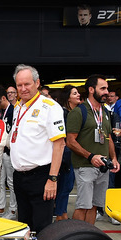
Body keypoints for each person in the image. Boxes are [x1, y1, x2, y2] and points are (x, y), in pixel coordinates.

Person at [10, 64, 65, 233]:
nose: (23, 88)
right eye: (19, 85)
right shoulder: (18, 107)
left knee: (42, 229)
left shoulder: (50, 107)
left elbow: (59, 144)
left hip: (41, 177)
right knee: (24, 228)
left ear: (37, 83)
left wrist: (52, 179)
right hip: (20, 177)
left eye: (27, 84)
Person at [65, 75, 119, 225]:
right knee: (83, 205)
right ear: (91, 90)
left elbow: (108, 138)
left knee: (95, 205)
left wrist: (113, 158)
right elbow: (70, 141)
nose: (106, 92)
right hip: (85, 166)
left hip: (103, 166)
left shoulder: (106, 112)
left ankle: (89, 238)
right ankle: (75, 237)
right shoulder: (78, 112)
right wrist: (90, 157)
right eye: (102, 88)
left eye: (107, 88)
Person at [53, 85, 81, 221]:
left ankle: (61, 212)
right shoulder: (63, 113)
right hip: (65, 153)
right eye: (74, 93)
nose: (78, 95)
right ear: (68, 97)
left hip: (72, 153)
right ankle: (60, 215)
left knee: (67, 186)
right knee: (65, 185)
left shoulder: (74, 112)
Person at [0, 86, 17, 218]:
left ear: (3, 98)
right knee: (0, 181)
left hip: (10, 152)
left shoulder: (13, 111)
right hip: (0, 151)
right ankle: (1, 207)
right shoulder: (1, 112)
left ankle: (13, 210)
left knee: (11, 182)